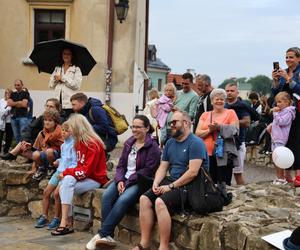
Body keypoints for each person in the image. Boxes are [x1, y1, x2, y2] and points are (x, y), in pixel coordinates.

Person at [133, 111, 208, 250]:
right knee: (144, 199)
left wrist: (171, 186)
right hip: (173, 181)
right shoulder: (170, 142)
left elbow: (192, 173)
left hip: (192, 185)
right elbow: (163, 167)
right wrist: (156, 182)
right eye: (170, 123)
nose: (171, 126)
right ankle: (144, 243)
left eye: (174, 122)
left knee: (160, 202)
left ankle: (164, 246)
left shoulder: (196, 143)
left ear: (186, 123)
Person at [85, 115, 161, 250]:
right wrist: (120, 180)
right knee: (107, 196)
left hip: (140, 182)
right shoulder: (129, 142)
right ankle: (107, 236)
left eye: (138, 127)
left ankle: (102, 234)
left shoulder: (153, 147)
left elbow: (147, 170)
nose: (134, 130)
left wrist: (127, 182)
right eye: (133, 126)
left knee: (123, 200)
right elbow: (121, 165)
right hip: (123, 179)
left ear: (147, 128)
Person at [51, 114, 108, 236]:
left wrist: (66, 172)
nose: (69, 130)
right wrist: (66, 173)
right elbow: (78, 166)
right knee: (65, 185)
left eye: (70, 127)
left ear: (77, 127)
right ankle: (67, 222)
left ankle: (65, 223)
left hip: (94, 178)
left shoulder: (93, 144)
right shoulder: (78, 143)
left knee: (65, 184)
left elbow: (86, 171)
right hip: (83, 176)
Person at [196, 88, 239, 200]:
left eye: (221, 99)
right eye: (217, 99)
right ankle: (210, 201)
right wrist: (210, 130)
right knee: (208, 180)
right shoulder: (205, 115)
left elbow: (235, 130)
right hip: (206, 153)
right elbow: (197, 133)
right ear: (211, 101)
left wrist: (219, 127)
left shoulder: (231, 113)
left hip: (223, 153)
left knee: (222, 181)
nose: (219, 101)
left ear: (225, 101)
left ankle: (223, 201)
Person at [35, 121, 77, 229]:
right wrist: (58, 161)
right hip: (59, 171)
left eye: (66, 131)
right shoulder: (63, 145)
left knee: (57, 194)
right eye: (62, 130)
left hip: (66, 174)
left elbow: (74, 163)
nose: (63, 132)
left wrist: (65, 172)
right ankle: (44, 216)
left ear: (73, 132)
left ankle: (56, 218)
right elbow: (64, 158)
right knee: (46, 192)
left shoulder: (74, 145)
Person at [271, 47, 300, 186]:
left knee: (296, 142)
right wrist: (276, 80)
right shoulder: (284, 73)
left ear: (298, 58)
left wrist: (289, 79)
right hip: (283, 111)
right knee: (285, 143)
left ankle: (298, 176)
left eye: (291, 57)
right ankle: (286, 176)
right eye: (286, 57)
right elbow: (277, 93)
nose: (288, 60)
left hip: (296, 112)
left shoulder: (298, 73)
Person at [225, 82, 251, 185]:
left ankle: (245, 197)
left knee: (237, 174)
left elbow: (247, 122)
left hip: (238, 143)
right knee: (224, 174)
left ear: (237, 93)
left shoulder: (242, 106)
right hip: (226, 142)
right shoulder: (224, 105)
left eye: (232, 91)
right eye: (227, 91)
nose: (229, 93)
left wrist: (231, 121)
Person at [267, 92, 296, 185]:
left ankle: (282, 179)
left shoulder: (289, 112)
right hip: (275, 138)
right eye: (277, 102)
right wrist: (271, 125)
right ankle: (279, 177)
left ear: (287, 102)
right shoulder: (281, 111)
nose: (277, 104)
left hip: (281, 138)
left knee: (279, 159)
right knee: (275, 159)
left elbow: (282, 122)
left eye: (280, 102)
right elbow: (276, 121)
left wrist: (275, 113)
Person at [162, 72, 198, 145]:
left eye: (186, 84)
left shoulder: (194, 96)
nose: (184, 86)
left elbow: (191, 115)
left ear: (191, 83)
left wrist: (179, 111)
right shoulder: (178, 93)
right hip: (167, 127)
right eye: (183, 83)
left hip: (179, 129)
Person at [49, 47, 83, 119]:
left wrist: (63, 79)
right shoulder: (57, 68)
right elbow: (51, 85)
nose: (66, 56)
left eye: (68, 54)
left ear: (72, 56)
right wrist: (56, 80)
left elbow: (76, 85)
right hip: (57, 104)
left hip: (69, 105)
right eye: (64, 54)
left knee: (68, 126)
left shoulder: (76, 69)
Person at [31, 109, 64, 180]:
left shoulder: (62, 132)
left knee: (49, 151)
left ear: (55, 122)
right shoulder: (42, 133)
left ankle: (51, 168)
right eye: (45, 120)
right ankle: (41, 168)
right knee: (35, 154)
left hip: (58, 158)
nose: (47, 122)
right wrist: (34, 165)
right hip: (45, 155)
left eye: (50, 120)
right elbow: (37, 149)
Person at [0, 88, 13, 154]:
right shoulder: (1, 100)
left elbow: (10, 112)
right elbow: (2, 112)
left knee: (9, 137)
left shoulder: (12, 101)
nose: (7, 94)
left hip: (9, 121)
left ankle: (6, 151)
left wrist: (4, 111)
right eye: (6, 93)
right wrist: (6, 109)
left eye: (9, 93)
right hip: (2, 122)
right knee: (0, 136)